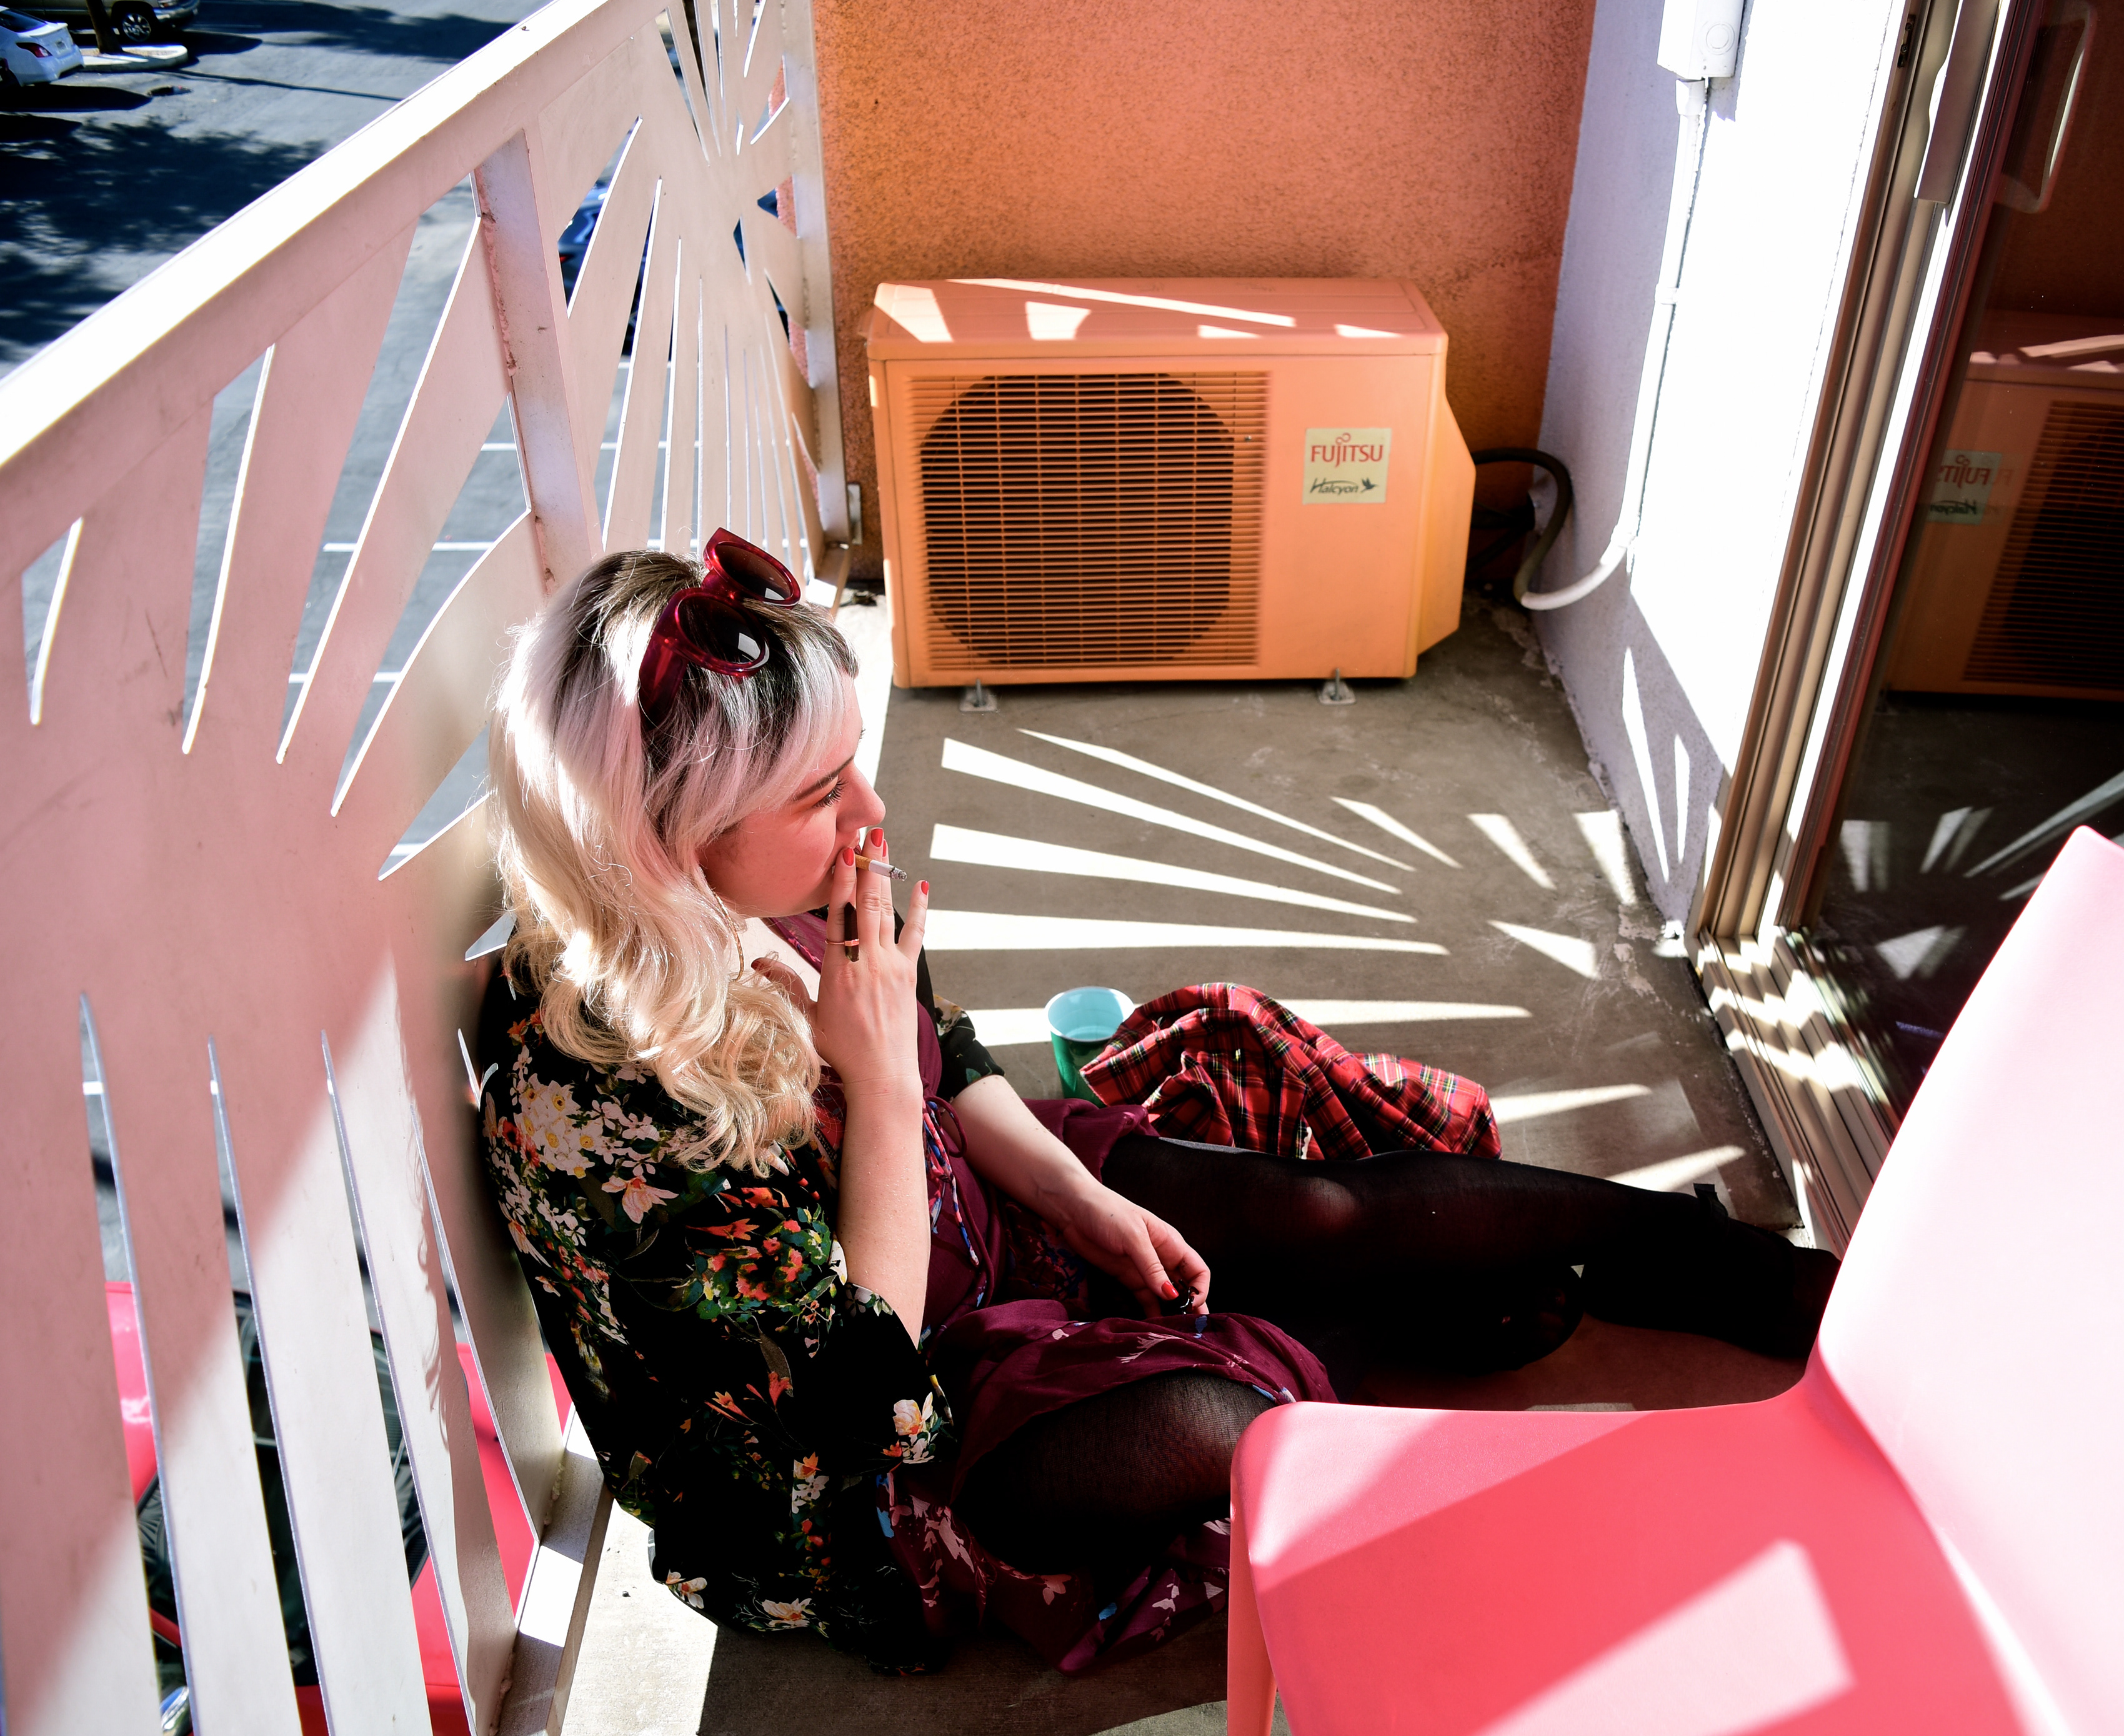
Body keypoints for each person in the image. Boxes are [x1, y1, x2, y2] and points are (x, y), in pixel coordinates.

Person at [478, 534, 1835, 1670]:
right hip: (865, 1467)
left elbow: (947, 1054)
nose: (873, 814)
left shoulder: (786, 887)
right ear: (669, 846)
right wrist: (882, 1083)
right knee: (1217, 1432)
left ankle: (1737, 1269)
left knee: (1313, 1208)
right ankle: (1513, 1467)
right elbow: (869, 1407)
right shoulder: (606, 1132)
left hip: (957, 1207)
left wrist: (1073, 1192)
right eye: (824, 793)